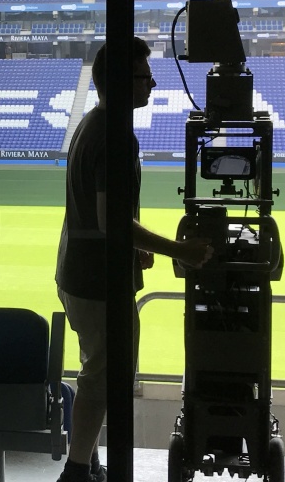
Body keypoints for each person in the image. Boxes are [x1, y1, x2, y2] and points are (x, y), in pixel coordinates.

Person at [54, 38, 214, 482]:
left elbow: (97, 218)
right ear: (124, 82)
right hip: (97, 280)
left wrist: (133, 247)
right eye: (145, 76)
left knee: (97, 371)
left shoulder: (91, 123)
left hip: (77, 271)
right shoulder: (116, 136)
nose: (153, 82)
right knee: (103, 378)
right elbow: (113, 222)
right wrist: (181, 250)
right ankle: (78, 470)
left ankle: (88, 461)